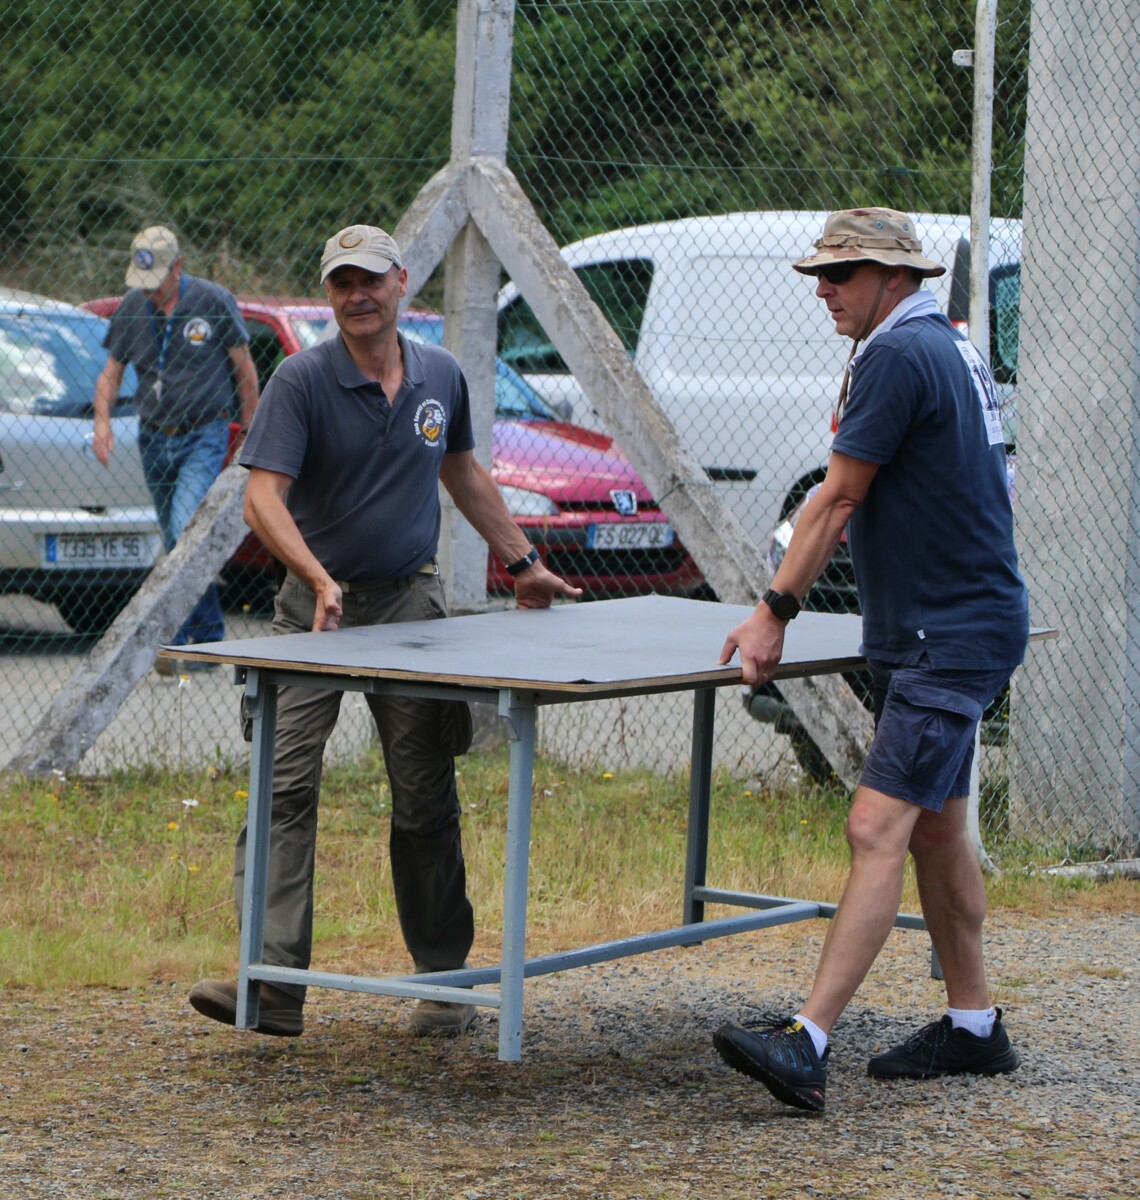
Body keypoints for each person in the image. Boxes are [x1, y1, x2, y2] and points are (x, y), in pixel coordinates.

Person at [188, 224, 582, 1039]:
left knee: (424, 793)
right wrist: (317, 578)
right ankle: (272, 986)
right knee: (281, 788)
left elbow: (462, 472)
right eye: (342, 284)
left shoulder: (440, 375)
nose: (357, 296)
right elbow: (261, 498)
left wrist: (522, 561)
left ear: (401, 282)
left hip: (410, 607)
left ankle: (447, 983)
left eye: (370, 280)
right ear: (329, 293)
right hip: (314, 616)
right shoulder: (301, 380)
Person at [713, 208, 1029, 1111]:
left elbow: (836, 498)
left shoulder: (897, 353)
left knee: (874, 828)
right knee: (934, 827)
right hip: (955, 625)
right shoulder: (941, 342)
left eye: (841, 273)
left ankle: (807, 1042)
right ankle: (973, 1027)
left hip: (944, 637)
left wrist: (773, 612)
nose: (824, 290)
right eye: (820, 274)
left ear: (895, 276)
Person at [93, 225, 260, 664]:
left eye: (156, 282)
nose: (149, 292)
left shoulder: (213, 301)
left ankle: (175, 639)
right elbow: (111, 372)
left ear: (178, 267)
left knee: (186, 528)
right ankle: (207, 635)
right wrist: (102, 422)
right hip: (153, 436)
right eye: (142, 282)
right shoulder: (132, 307)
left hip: (204, 433)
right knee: (176, 538)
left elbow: (244, 368)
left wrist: (252, 430)